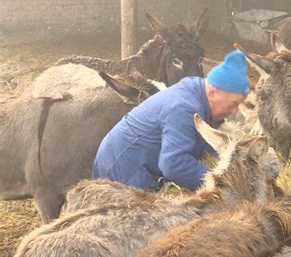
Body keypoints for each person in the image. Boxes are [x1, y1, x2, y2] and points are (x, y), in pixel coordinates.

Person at [92, 50, 249, 191]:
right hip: (124, 166)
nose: (235, 111)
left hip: (134, 157)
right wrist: (220, 183)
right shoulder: (184, 107)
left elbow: (199, 143)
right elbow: (174, 164)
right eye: (233, 104)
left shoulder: (197, 90)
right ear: (214, 92)